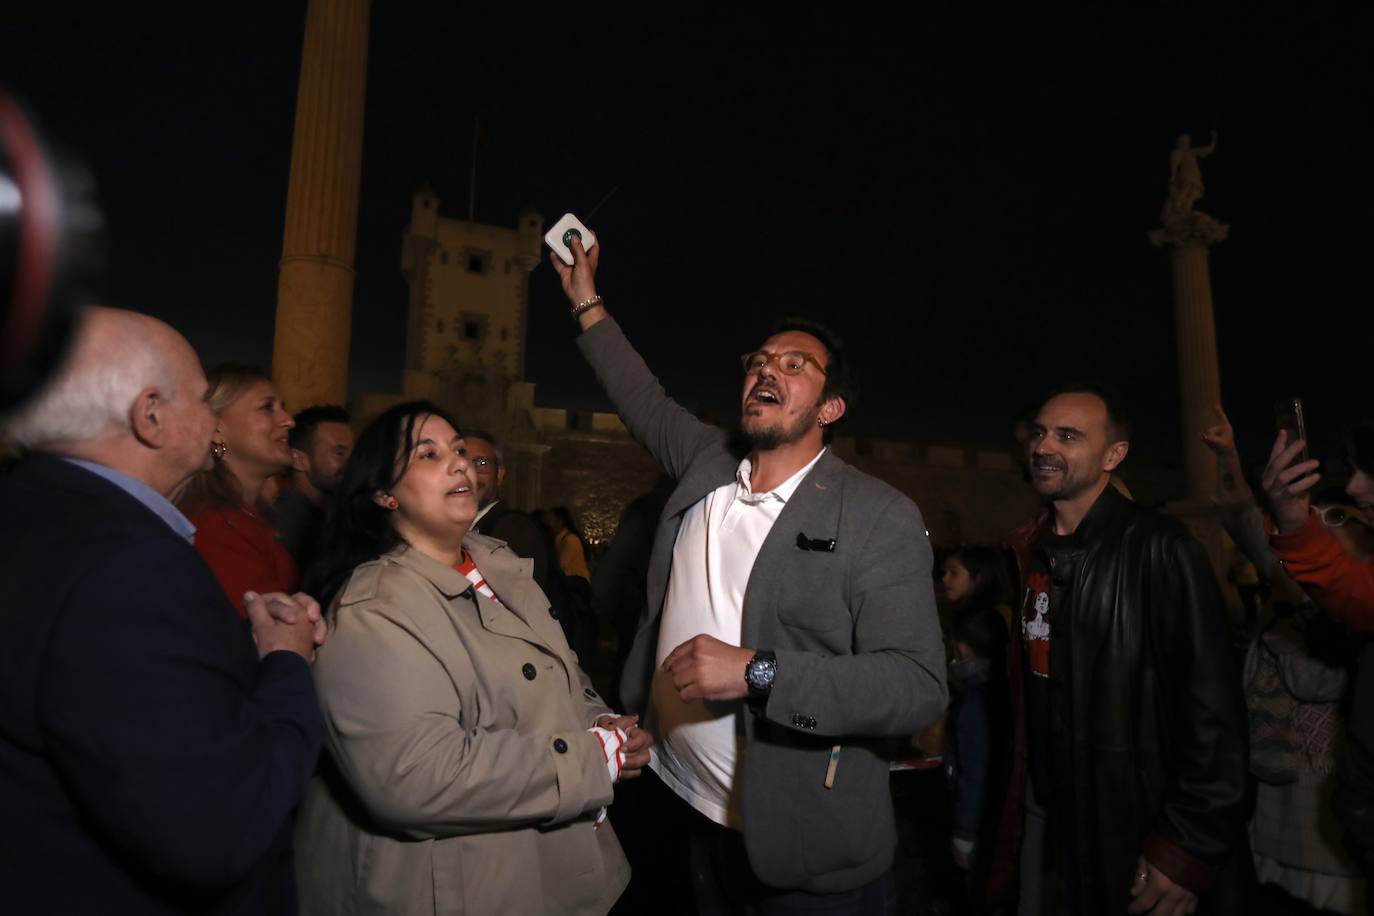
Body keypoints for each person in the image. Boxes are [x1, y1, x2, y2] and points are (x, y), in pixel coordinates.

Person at [551, 233, 947, 912]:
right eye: (760, 360)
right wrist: (587, 299)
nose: (768, 369)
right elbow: (640, 396)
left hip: (796, 847)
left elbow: (917, 686)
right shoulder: (707, 464)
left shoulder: (877, 515)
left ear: (831, 409)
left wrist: (759, 672)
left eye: (797, 365)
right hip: (674, 799)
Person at [0, 307, 324, 914]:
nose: (211, 421)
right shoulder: (126, 565)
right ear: (150, 416)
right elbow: (221, 822)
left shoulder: (33, 517)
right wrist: (285, 663)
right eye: (202, 401)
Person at [294, 401, 649, 916]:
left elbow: (561, 672)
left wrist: (597, 719)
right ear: (384, 494)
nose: (459, 463)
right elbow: (415, 777)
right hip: (462, 886)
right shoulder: (375, 610)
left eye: (459, 449)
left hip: (552, 867)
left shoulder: (498, 565)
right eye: (428, 454)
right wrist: (590, 759)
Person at [992, 386, 1249, 915]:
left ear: (1113, 455)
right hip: (1061, 830)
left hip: (1141, 833)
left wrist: (1186, 848)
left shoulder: (1160, 549)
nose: (1044, 447)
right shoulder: (1030, 554)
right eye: (1040, 432)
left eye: (1068, 436)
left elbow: (1213, 714)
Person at [179, 363, 299, 617]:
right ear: (217, 428)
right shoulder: (213, 527)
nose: (289, 420)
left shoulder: (246, 517)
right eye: (267, 408)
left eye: (283, 408)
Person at [276, 404, 353, 575]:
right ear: (298, 460)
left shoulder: (324, 516)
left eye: (353, 453)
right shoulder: (290, 522)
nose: (352, 463)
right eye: (339, 453)